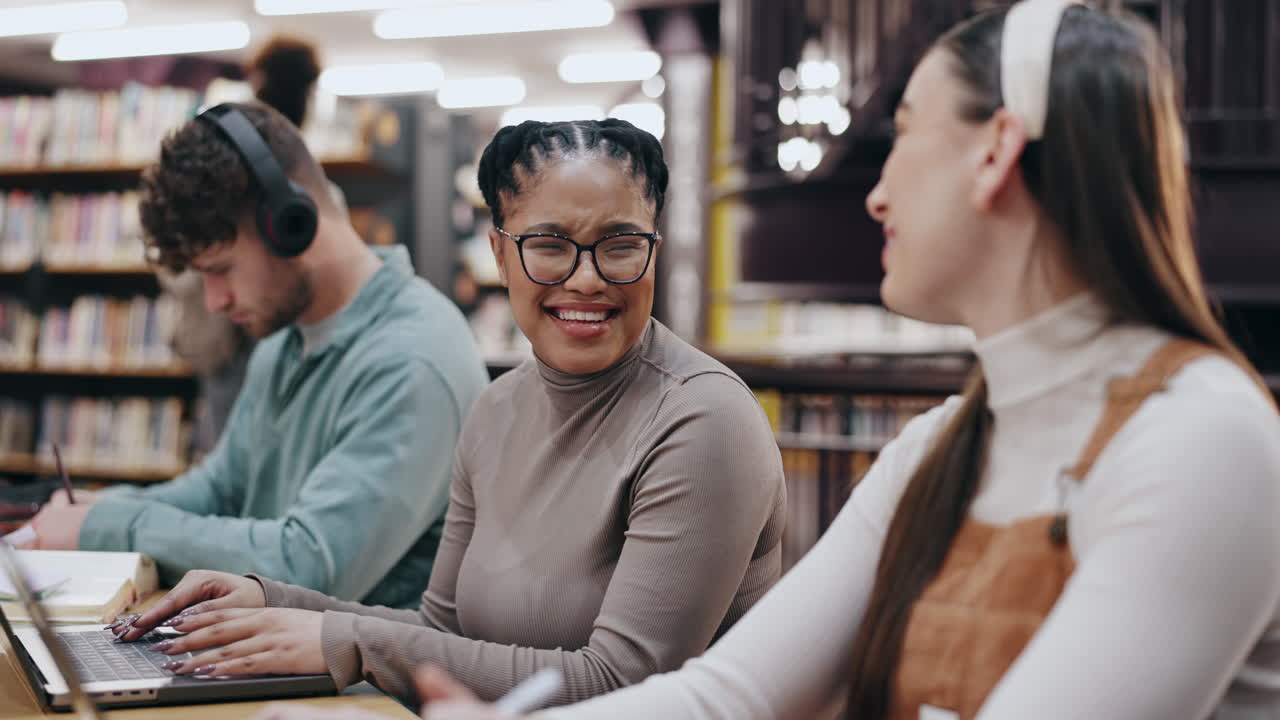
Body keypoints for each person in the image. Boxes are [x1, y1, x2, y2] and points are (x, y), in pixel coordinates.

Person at [403, 2, 1279, 718]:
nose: (876, 188)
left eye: (903, 135)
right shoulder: (946, 444)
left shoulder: (1204, 439)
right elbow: (731, 693)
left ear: (997, 150)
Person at [112, 118, 788, 709]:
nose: (586, 278)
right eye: (549, 245)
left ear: (654, 253)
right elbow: (442, 634)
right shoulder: (497, 410)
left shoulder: (704, 421)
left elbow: (620, 684)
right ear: (499, 253)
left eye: (620, 245)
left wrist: (340, 638)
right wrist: (273, 600)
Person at [25, 102, 490, 611]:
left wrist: (111, 527)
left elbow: (308, 567)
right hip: (274, 659)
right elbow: (222, 489)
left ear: (290, 223)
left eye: (221, 268)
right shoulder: (284, 341)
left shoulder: (413, 360)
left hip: (369, 684)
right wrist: (107, 507)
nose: (214, 301)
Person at [163, 35, 335, 456]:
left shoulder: (298, 174)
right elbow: (179, 264)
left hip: (274, 338)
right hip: (233, 344)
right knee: (236, 461)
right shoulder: (230, 163)